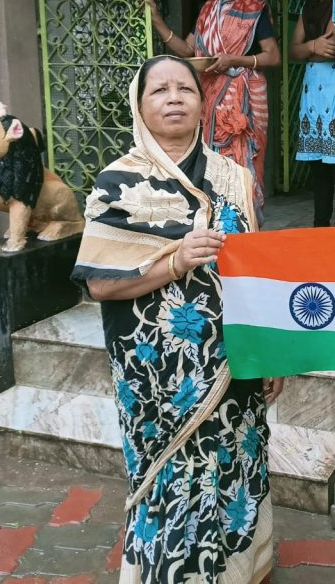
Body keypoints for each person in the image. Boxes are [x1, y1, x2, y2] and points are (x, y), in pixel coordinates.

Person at [72, 55, 283, 584]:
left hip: (231, 359)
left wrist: (271, 351)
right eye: (159, 91)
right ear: (140, 107)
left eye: (185, 88)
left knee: (233, 457)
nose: (174, 98)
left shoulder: (232, 176)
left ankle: (235, 570)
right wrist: (176, 260)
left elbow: (255, 270)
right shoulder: (117, 182)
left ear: (201, 99)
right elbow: (100, 283)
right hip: (154, 372)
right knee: (169, 470)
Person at [138, 0, 281, 222]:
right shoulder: (208, 8)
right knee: (211, 165)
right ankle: (215, 228)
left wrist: (234, 61)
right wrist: (157, 20)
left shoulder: (253, 7)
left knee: (241, 166)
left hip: (241, 104)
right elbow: (187, 51)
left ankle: (245, 226)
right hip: (209, 101)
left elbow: (273, 56)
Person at [289, 0, 335, 227]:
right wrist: (311, 47)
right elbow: (293, 50)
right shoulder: (310, 4)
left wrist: (312, 48)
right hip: (314, 95)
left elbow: (331, 46)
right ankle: (321, 227)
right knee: (318, 167)